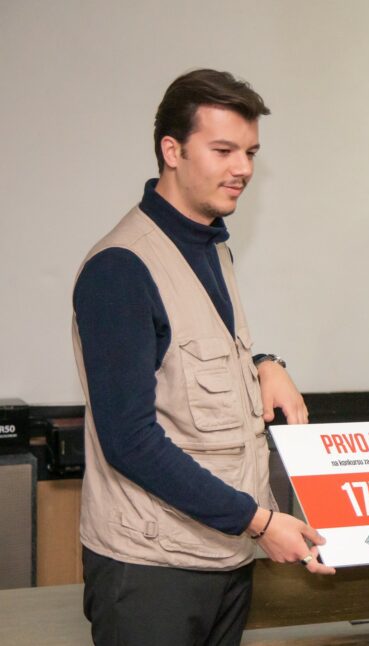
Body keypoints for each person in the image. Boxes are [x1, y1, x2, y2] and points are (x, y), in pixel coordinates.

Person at [72, 69, 334, 646]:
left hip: (222, 555)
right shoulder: (120, 269)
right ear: (172, 151)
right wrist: (259, 522)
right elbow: (129, 441)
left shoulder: (211, 247)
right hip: (151, 573)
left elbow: (191, 355)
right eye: (223, 150)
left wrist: (265, 362)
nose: (243, 168)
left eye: (250, 152)